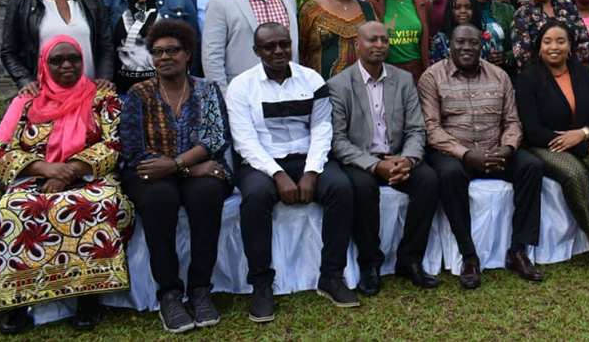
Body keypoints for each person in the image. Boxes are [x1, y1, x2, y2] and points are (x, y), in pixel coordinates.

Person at [0, 35, 132, 334]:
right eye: (57, 60)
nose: (67, 65)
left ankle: (89, 297)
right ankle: (16, 299)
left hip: (89, 175)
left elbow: (115, 144)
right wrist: (47, 169)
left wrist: (69, 171)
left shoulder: (102, 98)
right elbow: (1, 149)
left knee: (96, 204)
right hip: (35, 177)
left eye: (74, 58)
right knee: (14, 208)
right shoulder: (27, 100)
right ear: (44, 64)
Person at [225, 23, 358, 321]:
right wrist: (277, 174)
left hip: (306, 157)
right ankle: (261, 284)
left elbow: (322, 128)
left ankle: (331, 276)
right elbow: (245, 141)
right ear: (256, 51)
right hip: (261, 162)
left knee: (341, 188)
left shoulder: (311, 79)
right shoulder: (241, 86)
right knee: (256, 197)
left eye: (284, 44)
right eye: (269, 47)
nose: (278, 51)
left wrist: (311, 171)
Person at [120, 20, 232, 333]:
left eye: (172, 50)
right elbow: (134, 150)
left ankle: (200, 289)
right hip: (152, 174)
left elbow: (214, 139)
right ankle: (169, 293)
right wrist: (186, 168)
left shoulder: (207, 90)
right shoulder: (139, 94)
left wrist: (177, 166)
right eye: (157, 52)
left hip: (196, 168)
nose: (165, 57)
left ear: (188, 54)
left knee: (207, 193)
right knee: (159, 198)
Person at [419, 24, 544, 289]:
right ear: (450, 45)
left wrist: (507, 148)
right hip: (454, 153)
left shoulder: (499, 75)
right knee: (449, 174)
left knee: (531, 166)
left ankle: (519, 250)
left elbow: (512, 121)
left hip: (495, 150)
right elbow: (432, 129)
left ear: (482, 46)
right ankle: (469, 256)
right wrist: (465, 155)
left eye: (473, 43)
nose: (467, 47)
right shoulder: (432, 77)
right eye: (460, 42)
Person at [328, 21, 441, 296]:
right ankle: (370, 265)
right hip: (361, 159)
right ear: (358, 44)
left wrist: (408, 160)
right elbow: (338, 141)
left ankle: (410, 260)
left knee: (428, 180)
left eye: (384, 40)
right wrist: (375, 165)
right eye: (372, 40)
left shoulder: (403, 80)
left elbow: (416, 129)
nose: (379, 45)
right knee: (362, 188)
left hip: (398, 155)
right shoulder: (339, 85)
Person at [515, 22, 589, 275]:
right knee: (575, 173)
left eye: (561, 41)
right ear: (539, 46)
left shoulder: (584, 74)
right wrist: (588, 147)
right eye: (547, 41)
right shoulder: (527, 79)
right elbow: (533, 131)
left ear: (570, 46)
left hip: (582, 141)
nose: (554, 47)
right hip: (546, 145)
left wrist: (583, 134)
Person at [202, 0, 299, 93]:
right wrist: (224, 98)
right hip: (244, 94)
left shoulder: (289, 0)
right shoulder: (221, 3)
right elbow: (212, 58)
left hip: (288, 91)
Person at [299, 0, 377, 79]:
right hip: (321, 87)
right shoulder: (311, 9)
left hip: (364, 86)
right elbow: (300, 51)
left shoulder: (368, 9)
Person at [365, 0, 432, 83]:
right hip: (386, 73)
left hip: (418, 74)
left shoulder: (424, 3)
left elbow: (429, 38)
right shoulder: (372, 4)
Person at [465, 0, 516, 71]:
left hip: (500, 74)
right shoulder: (458, 8)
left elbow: (519, 46)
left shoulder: (507, 10)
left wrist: (506, 57)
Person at [431, 0, 497, 64]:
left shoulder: (486, 37)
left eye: (468, 7)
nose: (463, 11)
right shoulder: (440, 40)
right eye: (457, 7)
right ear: (450, 11)